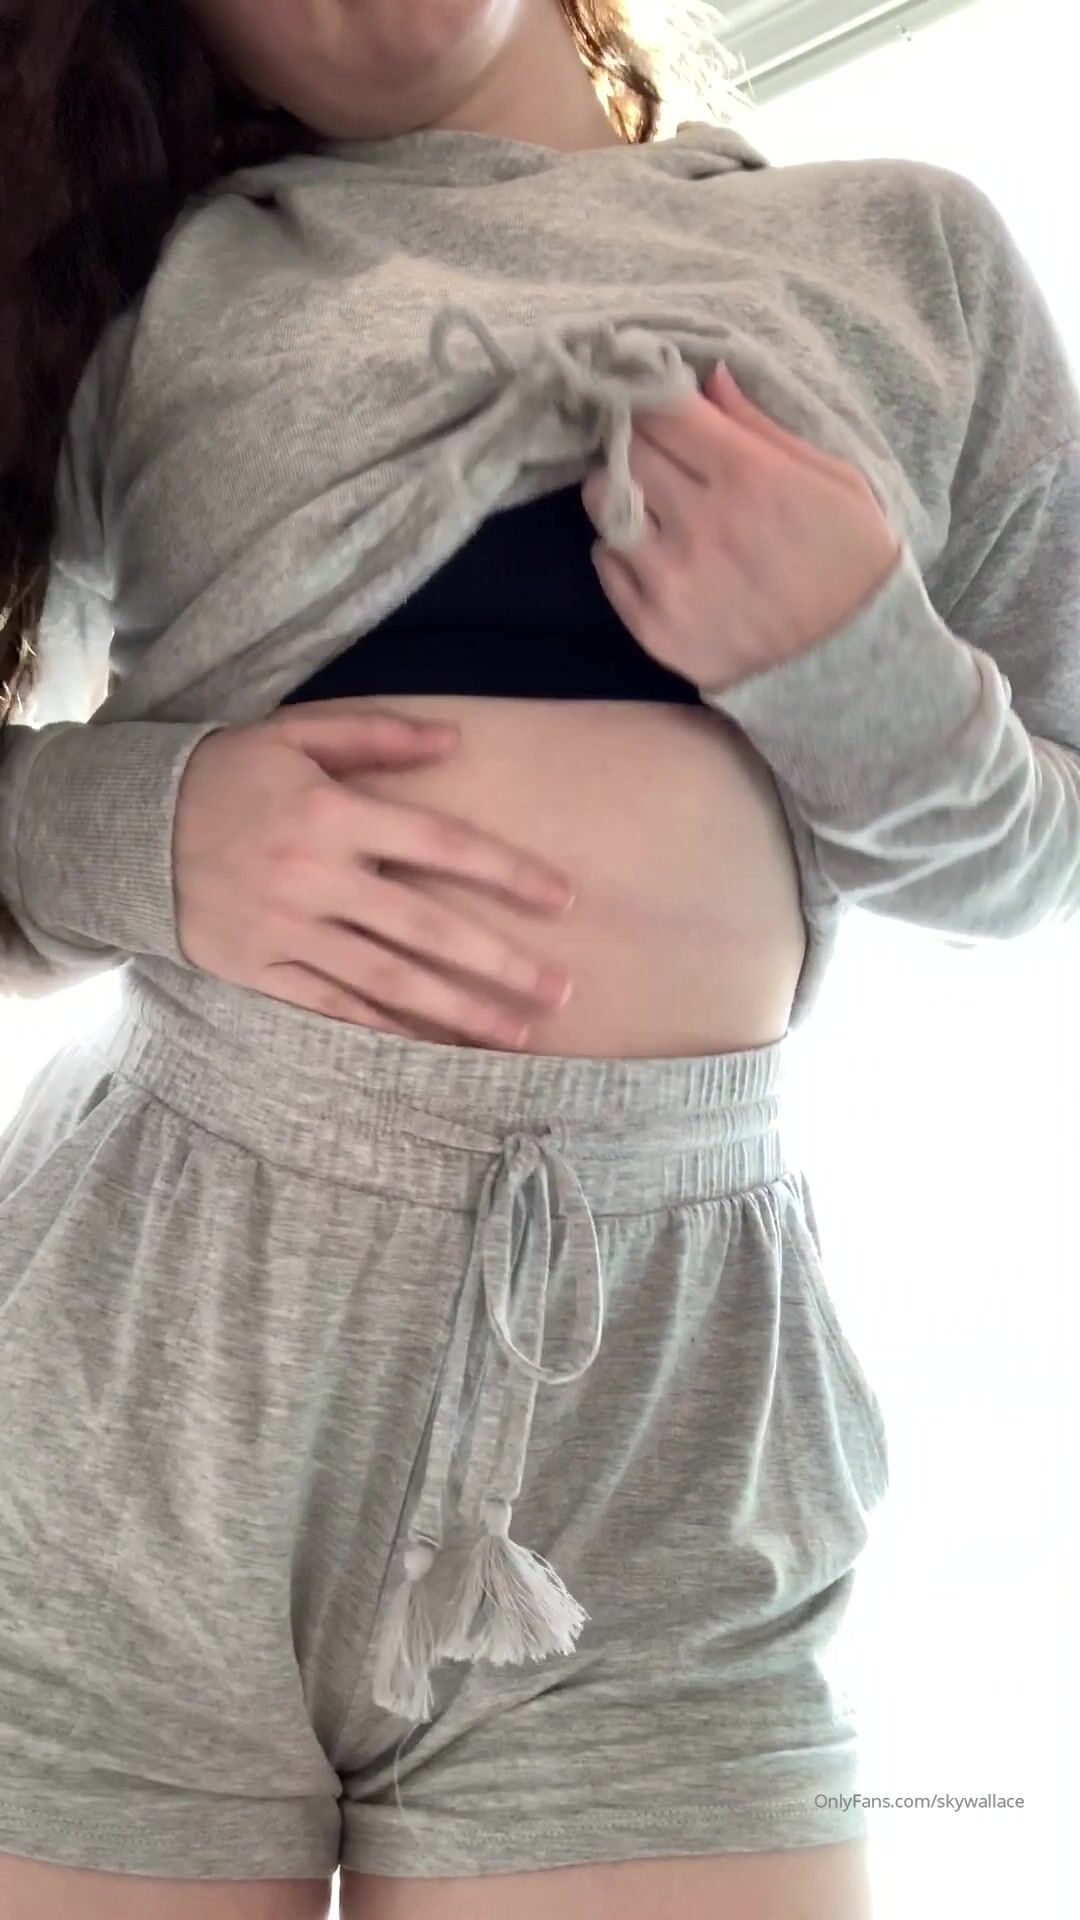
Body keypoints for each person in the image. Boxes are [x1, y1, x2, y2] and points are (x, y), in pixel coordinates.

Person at [1, 1, 1078, 1916]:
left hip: (665, 1420)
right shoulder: (156, 294)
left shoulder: (912, 256)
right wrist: (153, 830)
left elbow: (1050, 856)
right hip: (136, 1389)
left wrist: (866, 672)